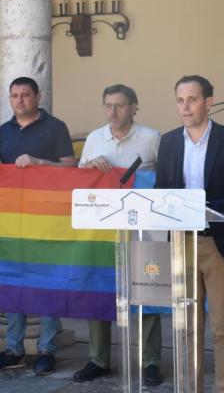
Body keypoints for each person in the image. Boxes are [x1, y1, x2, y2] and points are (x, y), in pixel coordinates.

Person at [155, 75, 224, 393]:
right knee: (187, 328)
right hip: (181, 244)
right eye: (180, 100)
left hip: (219, 244)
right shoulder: (169, 142)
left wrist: (206, 206)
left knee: (223, 328)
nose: (185, 106)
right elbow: (161, 192)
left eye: (192, 99)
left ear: (209, 102)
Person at [0, 77, 76, 376]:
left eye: (25, 95)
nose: (20, 100)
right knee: (13, 283)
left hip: (48, 218)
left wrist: (39, 162)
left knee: (47, 283)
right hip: (12, 219)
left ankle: (47, 349)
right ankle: (14, 349)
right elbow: (1, 174)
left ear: (38, 96)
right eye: (14, 96)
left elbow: (70, 167)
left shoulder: (55, 127)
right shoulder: (4, 130)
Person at [75, 84, 163, 386]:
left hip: (143, 228)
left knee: (148, 288)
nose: (113, 111)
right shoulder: (94, 138)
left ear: (134, 107)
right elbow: (79, 179)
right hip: (102, 228)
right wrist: (89, 167)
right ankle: (98, 359)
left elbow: (165, 180)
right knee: (99, 289)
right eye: (108, 105)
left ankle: (151, 361)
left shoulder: (152, 139)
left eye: (120, 105)